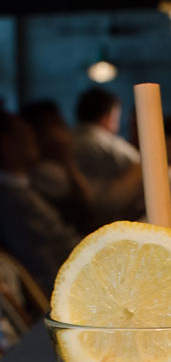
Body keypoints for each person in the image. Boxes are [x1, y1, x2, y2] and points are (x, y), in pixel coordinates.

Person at [0, 111, 80, 297]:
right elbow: (42, 264)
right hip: (68, 288)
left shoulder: (28, 184)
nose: (34, 142)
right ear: (6, 144)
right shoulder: (10, 201)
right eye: (25, 137)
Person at [20, 99, 94, 235]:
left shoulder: (54, 167)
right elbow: (87, 201)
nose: (65, 129)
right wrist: (65, 156)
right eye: (56, 123)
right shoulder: (45, 172)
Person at [72, 87, 143, 224]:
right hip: (107, 218)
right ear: (107, 116)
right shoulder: (106, 143)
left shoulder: (70, 139)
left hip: (78, 220)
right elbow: (150, 170)